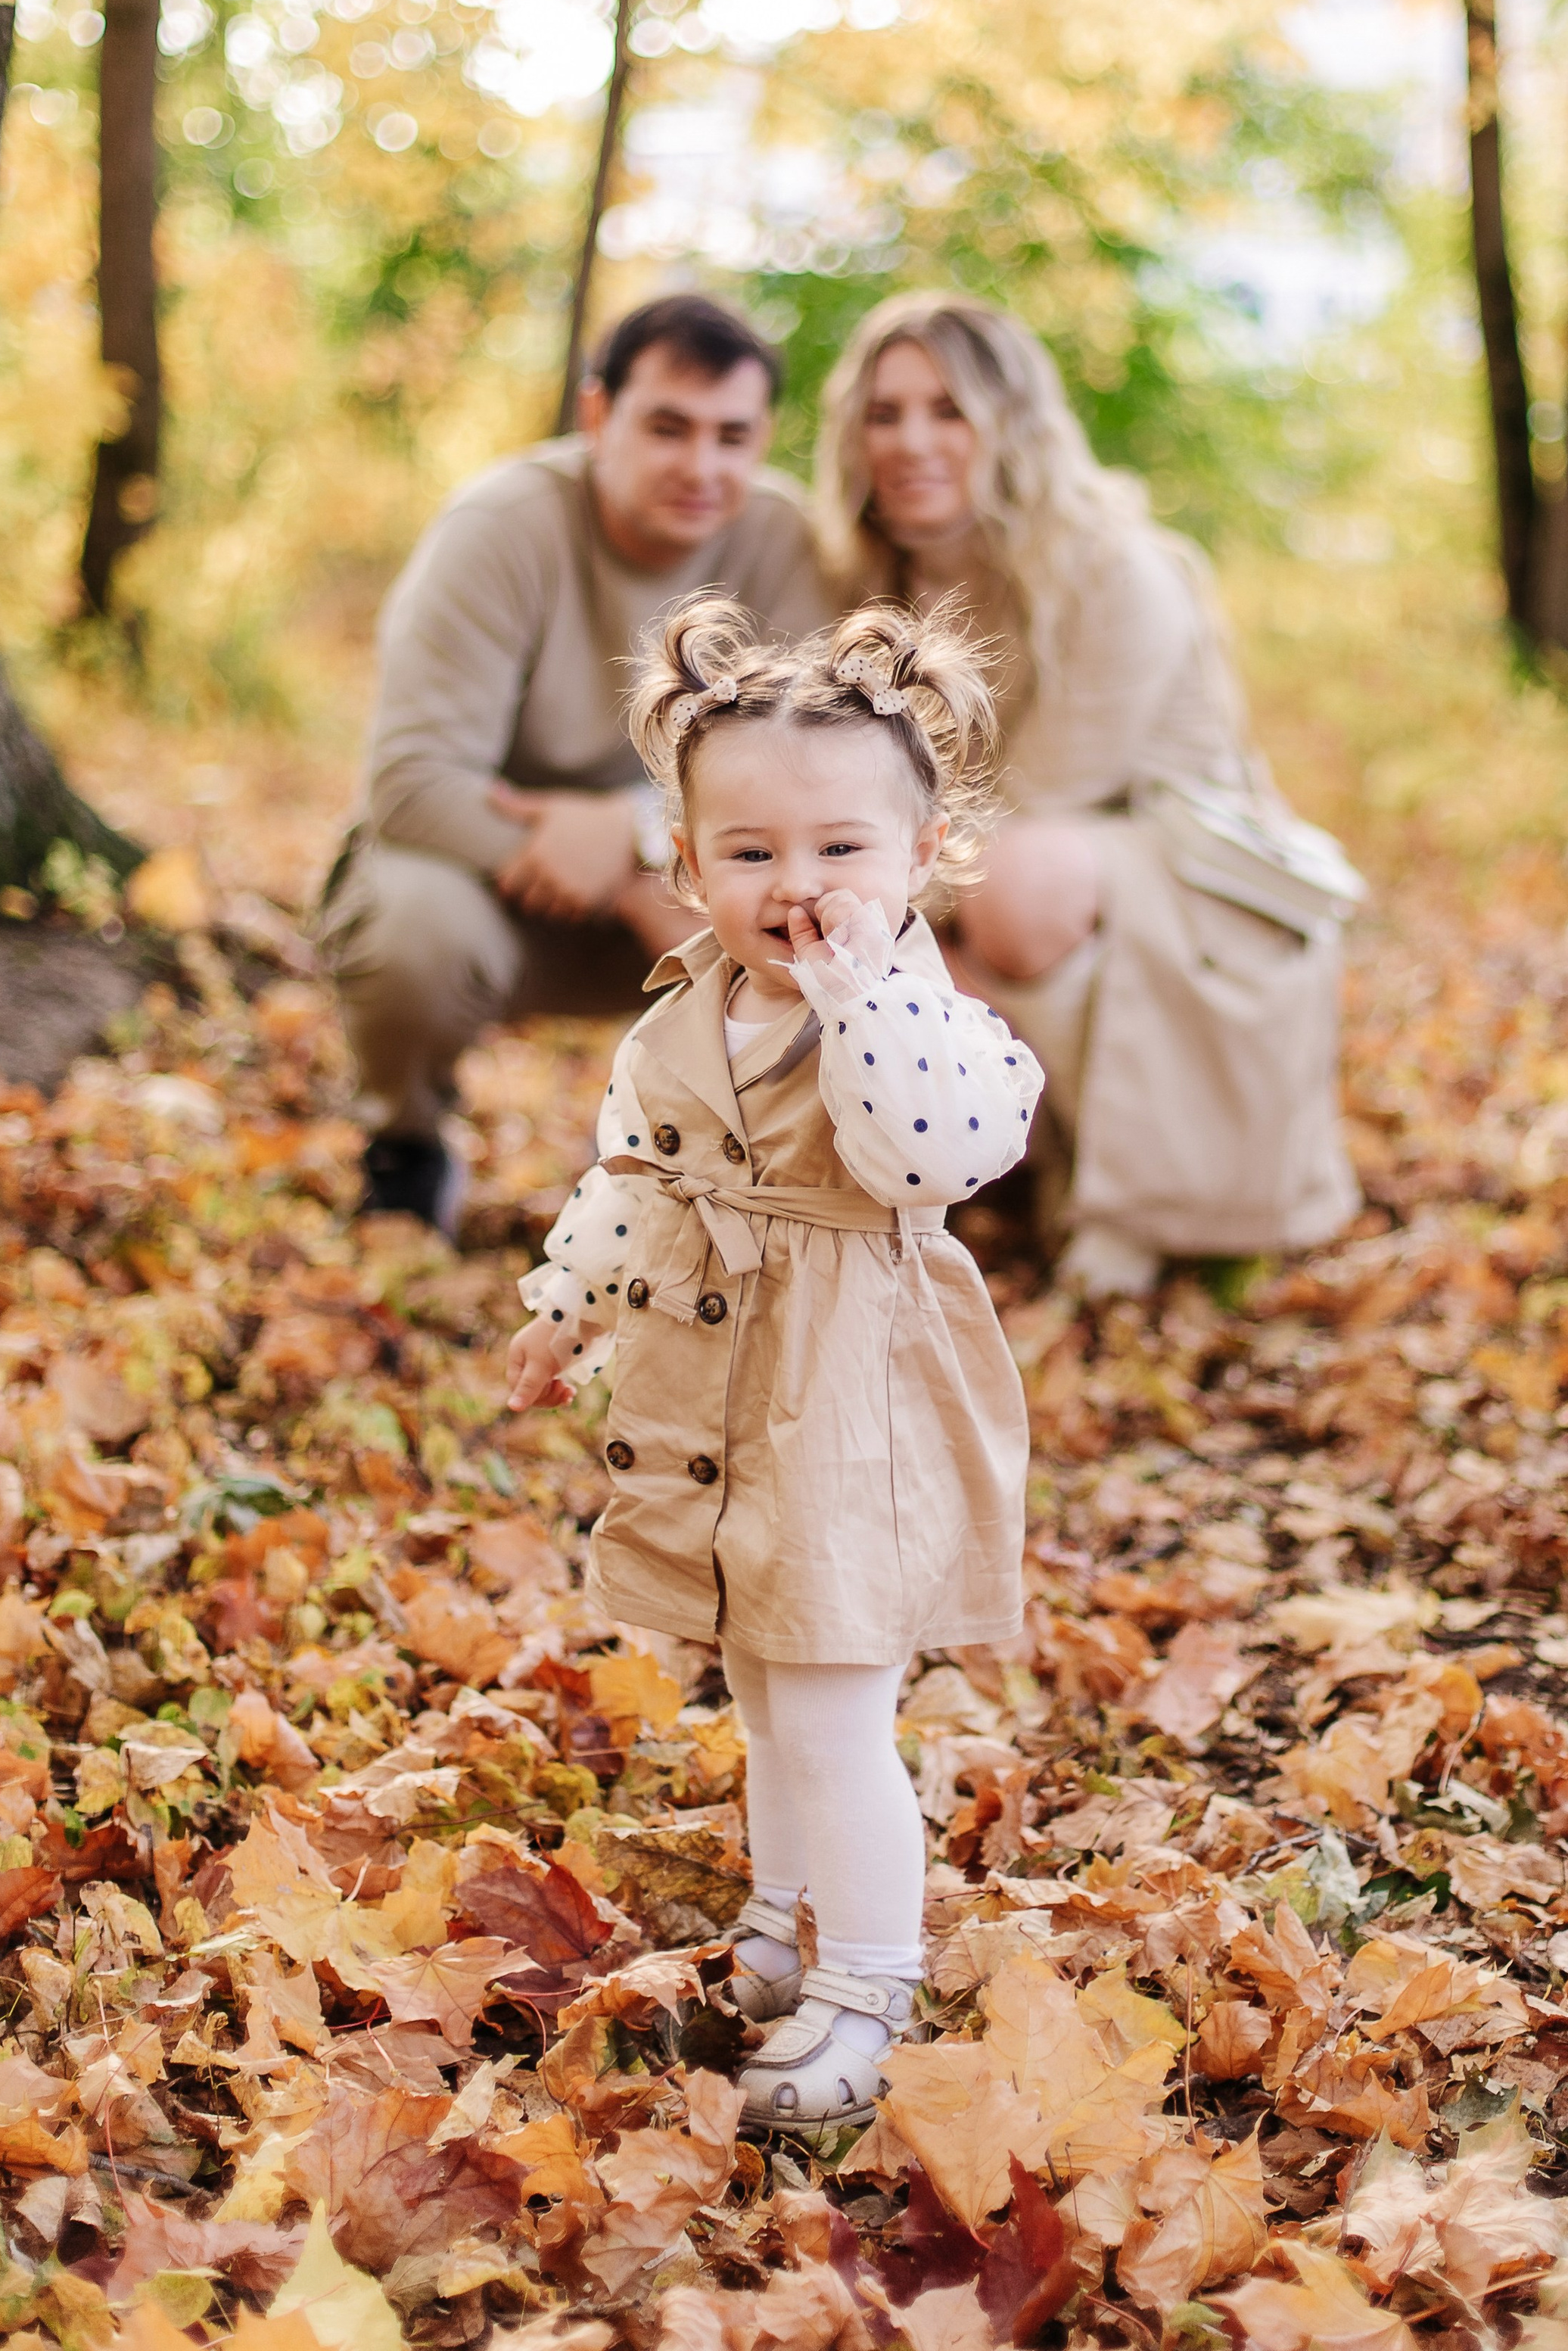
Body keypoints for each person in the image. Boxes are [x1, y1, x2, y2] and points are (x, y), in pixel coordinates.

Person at [504, 594, 1041, 2138]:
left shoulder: (924, 1023)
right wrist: (569, 1301)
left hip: (848, 1403)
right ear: (686, 865)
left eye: (839, 851)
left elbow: (929, 1155)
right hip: (718, 1394)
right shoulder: (687, 1015)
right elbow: (635, 1173)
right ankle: (779, 1913)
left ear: (924, 851)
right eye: (748, 854)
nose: (795, 886)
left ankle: (868, 1979)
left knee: (829, 1705)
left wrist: (865, 993)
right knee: (763, 1682)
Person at [814, 291, 1360, 1297]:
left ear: (1012, 424)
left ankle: (1115, 1186)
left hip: (1189, 870)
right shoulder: (874, 579)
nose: (911, 440)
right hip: (989, 864)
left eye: (949, 409)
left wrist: (877, 939)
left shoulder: (1118, 569)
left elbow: (1021, 805)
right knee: (859, 912)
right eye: (884, 413)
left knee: (1009, 889)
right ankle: (990, 1151)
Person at [320, 293, 832, 1233]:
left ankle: (752, 1178)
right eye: (667, 427)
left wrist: (640, 842)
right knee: (411, 918)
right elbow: (410, 782)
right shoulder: (501, 526)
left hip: (687, 882)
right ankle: (406, 1150)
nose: (701, 465)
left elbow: (805, 773)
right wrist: (613, 869)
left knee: (812, 901)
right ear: (598, 415)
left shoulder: (779, 539)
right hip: (512, 886)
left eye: (732, 436)